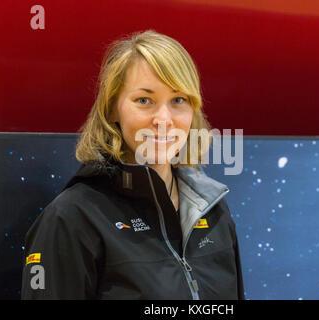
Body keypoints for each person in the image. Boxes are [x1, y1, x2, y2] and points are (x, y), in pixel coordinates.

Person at [21, 29, 244, 300]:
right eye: (144, 100)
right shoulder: (72, 217)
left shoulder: (213, 210)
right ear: (112, 108)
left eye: (178, 100)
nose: (164, 119)